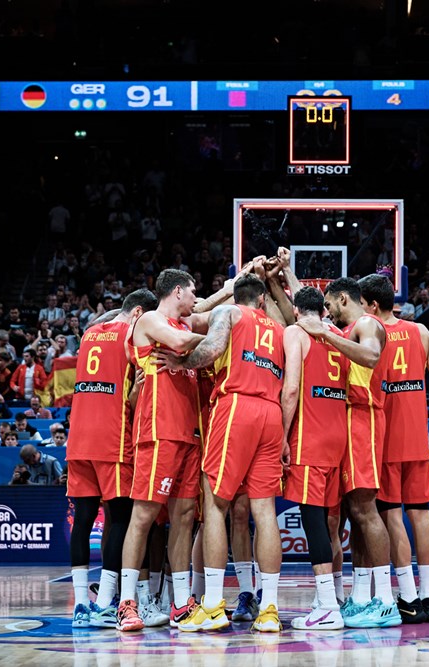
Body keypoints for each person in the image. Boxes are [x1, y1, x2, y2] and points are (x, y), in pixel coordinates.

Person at [155, 273, 286, 634]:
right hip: (272, 413)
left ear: (238, 296)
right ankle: (270, 608)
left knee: (215, 503)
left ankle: (212, 604)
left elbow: (211, 350)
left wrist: (181, 364)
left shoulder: (229, 314)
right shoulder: (277, 328)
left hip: (237, 406)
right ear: (262, 299)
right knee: (265, 509)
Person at [296, 277, 398, 628]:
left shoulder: (367, 323)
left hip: (364, 419)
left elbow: (370, 356)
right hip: (346, 420)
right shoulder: (348, 327)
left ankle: (385, 599)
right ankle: (360, 595)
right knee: (353, 512)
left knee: (365, 508)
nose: (326, 312)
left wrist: (326, 334)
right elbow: (311, 315)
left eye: (329, 305)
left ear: (343, 298)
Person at [116, 269, 208, 633]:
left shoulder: (182, 324)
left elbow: (200, 318)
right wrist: (229, 332)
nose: (196, 298)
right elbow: (183, 342)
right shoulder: (152, 319)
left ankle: (181, 604)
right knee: (144, 515)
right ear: (178, 291)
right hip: (158, 430)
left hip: (188, 432)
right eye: (194, 292)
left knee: (184, 516)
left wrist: (230, 292)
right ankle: (126, 603)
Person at [360, 273, 429, 625]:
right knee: (421, 514)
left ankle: (409, 598)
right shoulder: (420, 332)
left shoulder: (369, 335)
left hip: (384, 441)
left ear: (371, 305)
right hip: (417, 439)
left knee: (392, 518)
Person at [66, 288, 160, 630]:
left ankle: (79, 605)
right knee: (120, 518)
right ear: (138, 314)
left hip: (78, 439)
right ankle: (105, 602)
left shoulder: (91, 333)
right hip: (113, 438)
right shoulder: (132, 336)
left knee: (84, 520)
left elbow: (106, 319)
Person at [276, 286, 350, 630]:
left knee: (313, 521)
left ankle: (327, 609)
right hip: (339, 435)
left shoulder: (295, 331)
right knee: (331, 523)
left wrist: (281, 436)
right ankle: (332, 597)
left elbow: (291, 388)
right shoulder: (335, 333)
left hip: (310, 435)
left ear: (295, 311)